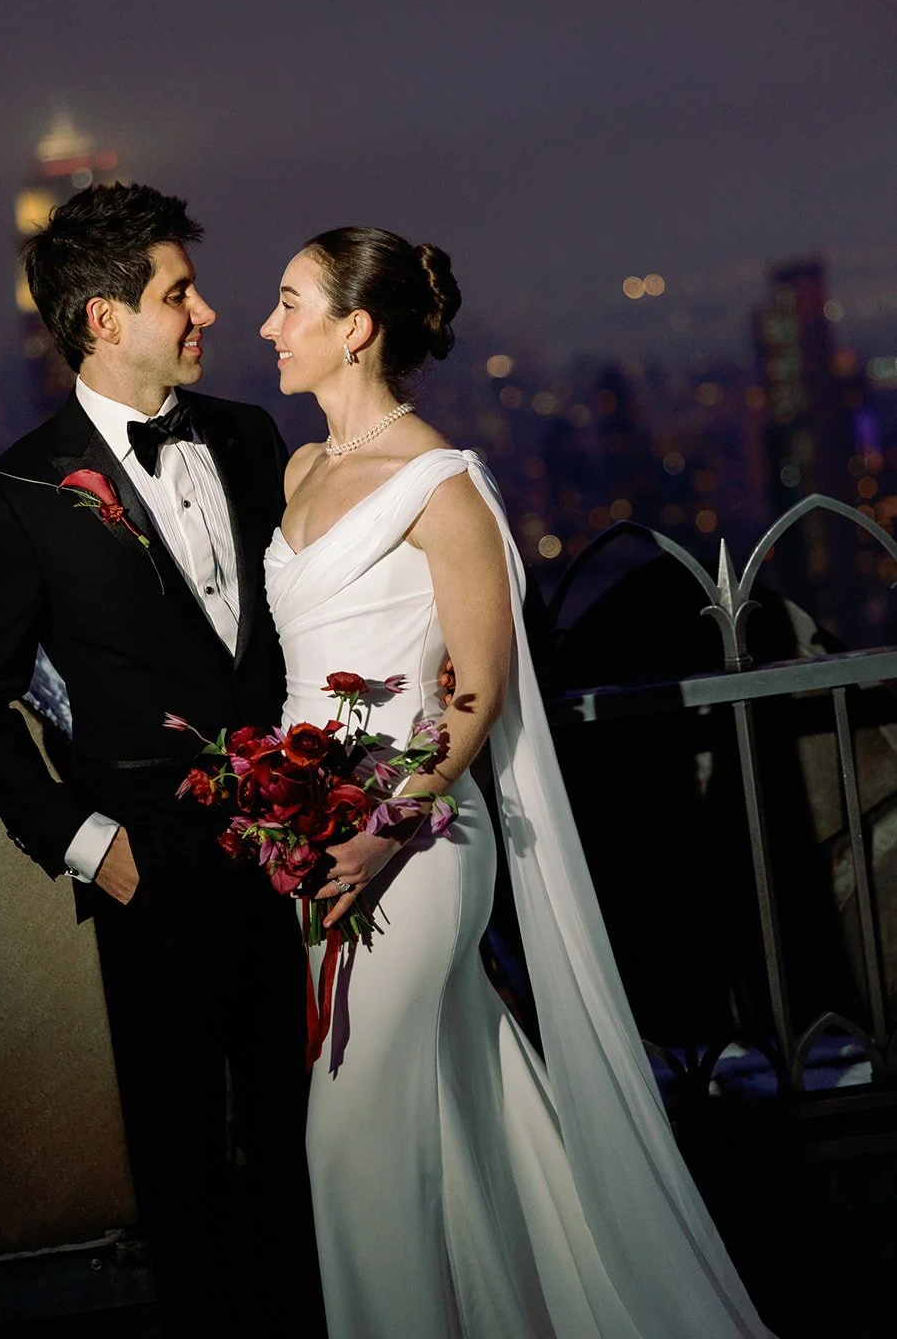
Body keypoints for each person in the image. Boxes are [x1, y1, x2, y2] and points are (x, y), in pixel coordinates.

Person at [259, 227, 777, 1339]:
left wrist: (376, 831)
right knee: (460, 1112)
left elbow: (476, 691)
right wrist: (285, 806)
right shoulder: (298, 471)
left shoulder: (443, 487)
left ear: (354, 329)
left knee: (346, 1142)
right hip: (316, 839)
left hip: (415, 846)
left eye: (290, 302)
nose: (267, 325)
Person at [0, 182, 321, 1334]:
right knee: (181, 1165)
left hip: (293, 856)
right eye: (178, 293)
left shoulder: (251, 437)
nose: (206, 311)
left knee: (309, 1144)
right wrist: (85, 845)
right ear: (104, 320)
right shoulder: (16, 492)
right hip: (147, 871)